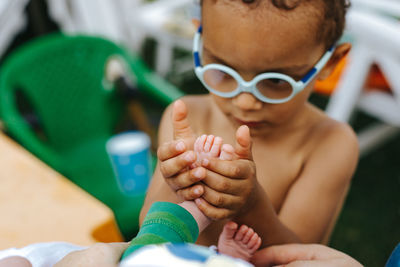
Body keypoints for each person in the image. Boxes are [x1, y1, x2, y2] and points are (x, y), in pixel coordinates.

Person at [141, 0, 359, 248]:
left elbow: (300, 256)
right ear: (200, 39)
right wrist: (177, 184)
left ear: (330, 62)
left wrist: (252, 206)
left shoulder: (329, 144)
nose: (245, 102)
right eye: (223, 71)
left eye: (276, 81)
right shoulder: (185, 118)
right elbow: (148, 235)